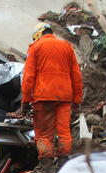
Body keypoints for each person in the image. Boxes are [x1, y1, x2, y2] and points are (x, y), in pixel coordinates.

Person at [21, 23, 83, 161]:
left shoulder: (35, 47)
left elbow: (28, 76)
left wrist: (25, 100)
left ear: (37, 34)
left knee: (43, 134)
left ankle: (46, 163)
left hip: (43, 97)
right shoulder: (67, 47)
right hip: (65, 97)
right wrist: (77, 100)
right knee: (64, 131)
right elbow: (76, 75)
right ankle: (63, 160)